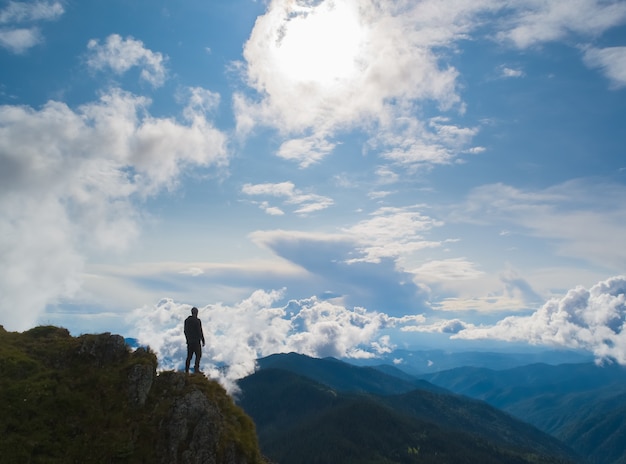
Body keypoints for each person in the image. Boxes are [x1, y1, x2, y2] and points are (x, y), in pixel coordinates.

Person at [184, 306, 205, 374]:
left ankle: (186, 370)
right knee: (198, 355)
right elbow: (199, 331)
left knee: (189, 356)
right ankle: (196, 369)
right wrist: (203, 340)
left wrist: (187, 339)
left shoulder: (186, 320)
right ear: (196, 313)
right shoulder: (197, 321)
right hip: (196, 341)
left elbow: (185, 331)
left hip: (189, 342)